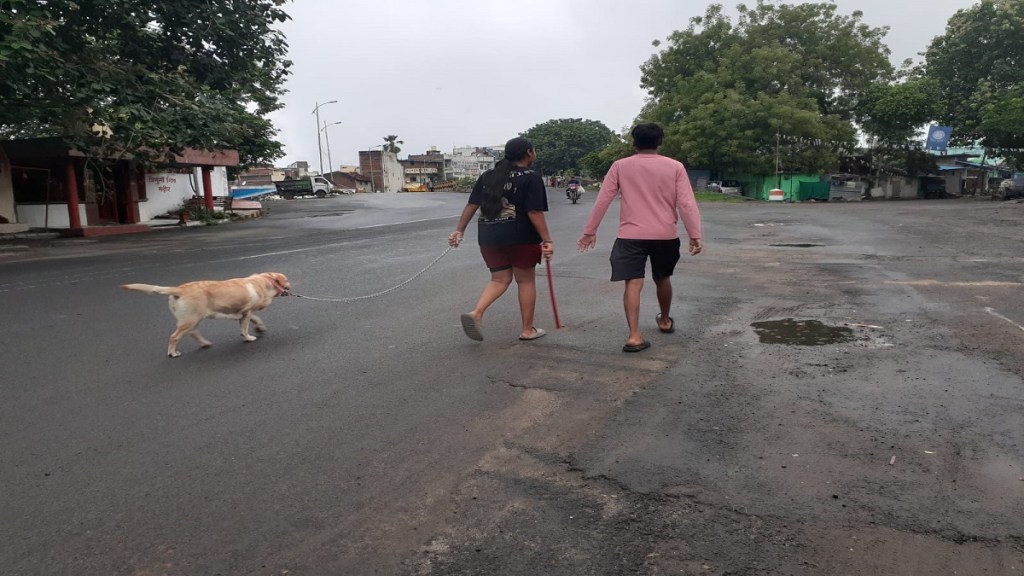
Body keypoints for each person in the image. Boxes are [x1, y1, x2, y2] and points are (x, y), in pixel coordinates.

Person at [576, 122, 703, 353]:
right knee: (663, 278)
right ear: (660, 141)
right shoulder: (675, 167)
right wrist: (695, 234)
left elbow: (603, 199)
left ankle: (634, 336)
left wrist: (589, 231)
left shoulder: (620, 166)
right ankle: (664, 320)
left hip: (630, 235)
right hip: (665, 234)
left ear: (634, 142)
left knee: (633, 282)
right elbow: (685, 202)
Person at [449, 137, 554, 342]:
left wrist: (459, 231)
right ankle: (527, 329)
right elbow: (534, 212)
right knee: (525, 281)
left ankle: (477, 312)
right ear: (529, 153)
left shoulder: (489, 175)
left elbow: (472, 205)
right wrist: (547, 239)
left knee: (499, 279)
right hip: (520, 237)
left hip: (489, 236)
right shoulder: (531, 177)